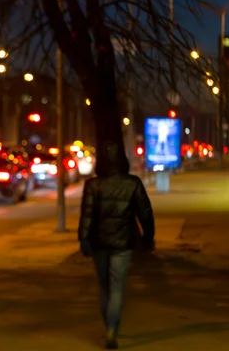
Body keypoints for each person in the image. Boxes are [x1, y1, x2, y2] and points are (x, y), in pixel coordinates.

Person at [78, 141, 155, 349]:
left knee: (104, 286)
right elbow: (145, 213)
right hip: (123, 242)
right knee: (117, 286)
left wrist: (83, 239)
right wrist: (149, 237)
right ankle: (113, 329)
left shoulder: (93, 185)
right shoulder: (133, 184)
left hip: (99, 242)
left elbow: (86, 215)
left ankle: (108, 327)